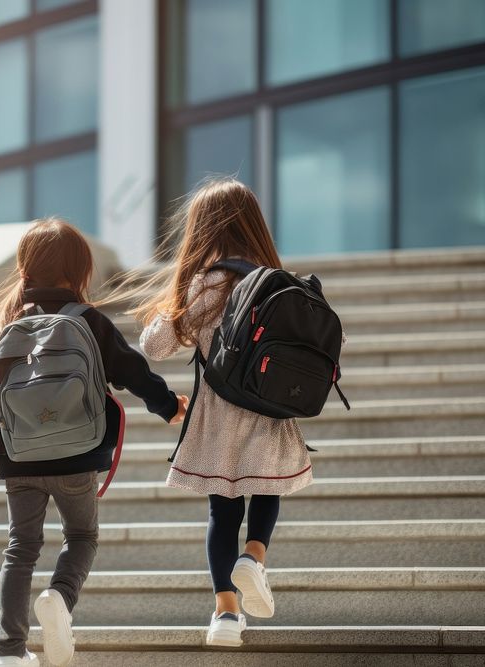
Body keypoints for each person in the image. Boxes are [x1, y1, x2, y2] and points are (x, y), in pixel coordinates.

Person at [0, 218, 188, 666]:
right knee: (81, 536)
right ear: (80, 271)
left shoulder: (4, 325)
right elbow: (132, 371)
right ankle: (60, 599)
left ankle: (9, 653)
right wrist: (167, 405)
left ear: (25, 268)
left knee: (20, 548)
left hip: (19, 459)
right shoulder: (88, 321)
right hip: (78, 454)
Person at [135, 178, 313, 647]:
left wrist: (175, 301)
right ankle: (254, 558)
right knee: (266, 489)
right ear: (255, 226)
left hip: (218, 415)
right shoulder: (280, 283)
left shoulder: (206, 283)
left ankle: (226, 615)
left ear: (202, 230)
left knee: (223, 508)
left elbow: (154, 346)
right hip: (269, 413)